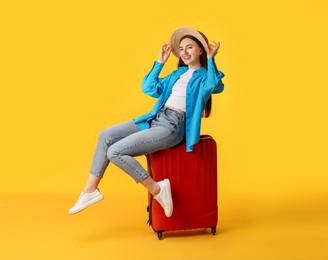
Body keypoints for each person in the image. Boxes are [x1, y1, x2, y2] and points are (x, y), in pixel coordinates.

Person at [68, 26, 225, 217]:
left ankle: (157, 190)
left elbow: (214, 85)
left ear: (201, 49)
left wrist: (211, 59)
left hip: (172, 127)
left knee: (115, 151)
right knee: (105, 135)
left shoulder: (203, 77)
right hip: (157, 118)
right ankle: (90, 190)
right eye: (181, 49)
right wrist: (160, 62)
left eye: (189, 47)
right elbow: (149, 87)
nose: (184, 52)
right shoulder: (177, 74)